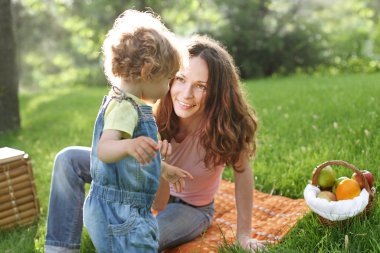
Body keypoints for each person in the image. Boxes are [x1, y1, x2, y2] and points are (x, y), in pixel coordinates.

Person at [44, 34, 266, 253]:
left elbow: (243, 173)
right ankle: (60, 249)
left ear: (217, 91)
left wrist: (243, 234)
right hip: (147, 189)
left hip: (191, 208)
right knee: (68, 159)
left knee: (136, 241)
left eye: (201, 86)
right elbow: (149, 192)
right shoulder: (154, 111)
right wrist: (158, 165)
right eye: (180, 78)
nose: (186, 94)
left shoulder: (225, 125)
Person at [82, 9, 188, 253]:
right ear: (147, 71)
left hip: (119, 209)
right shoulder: (125, 107)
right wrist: (130, 145)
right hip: (122, 215)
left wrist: (163, 169)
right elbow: (105, 149)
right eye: (168, 78)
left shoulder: (127, 104)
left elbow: (126, 165)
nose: (168, 87)